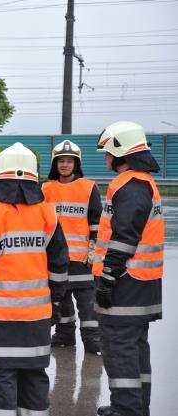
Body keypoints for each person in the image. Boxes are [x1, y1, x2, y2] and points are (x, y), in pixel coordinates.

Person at [0, 143, 69, 415]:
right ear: (35, 177)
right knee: (34, 375)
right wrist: (56, 302)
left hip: (0, 317)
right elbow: (59, 266)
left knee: (1, 376)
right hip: (37, 315)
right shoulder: (48, 214)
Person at [92, 121, 164, 416]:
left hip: (126, 281)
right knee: (135, 345)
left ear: (120, 151)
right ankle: (136, 406)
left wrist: (108, 277)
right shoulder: (143, 182)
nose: (106, 159)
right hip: (142, 280)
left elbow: (124, 238)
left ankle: (126, 409)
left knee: (119, 346)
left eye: (108, 152)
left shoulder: (130, 185)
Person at [42, 140, 103, 355]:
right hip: (56, 258)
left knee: (87, 303)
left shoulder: (88, 188)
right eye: (61, 161)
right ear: (55, 164)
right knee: (62, 299)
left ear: (76, 164)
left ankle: (93, 340)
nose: (65, 165)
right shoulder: (46, 189)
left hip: (82, 258)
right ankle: (64, 335)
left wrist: (93, 249)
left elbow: (97, 222)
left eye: (69, 161)